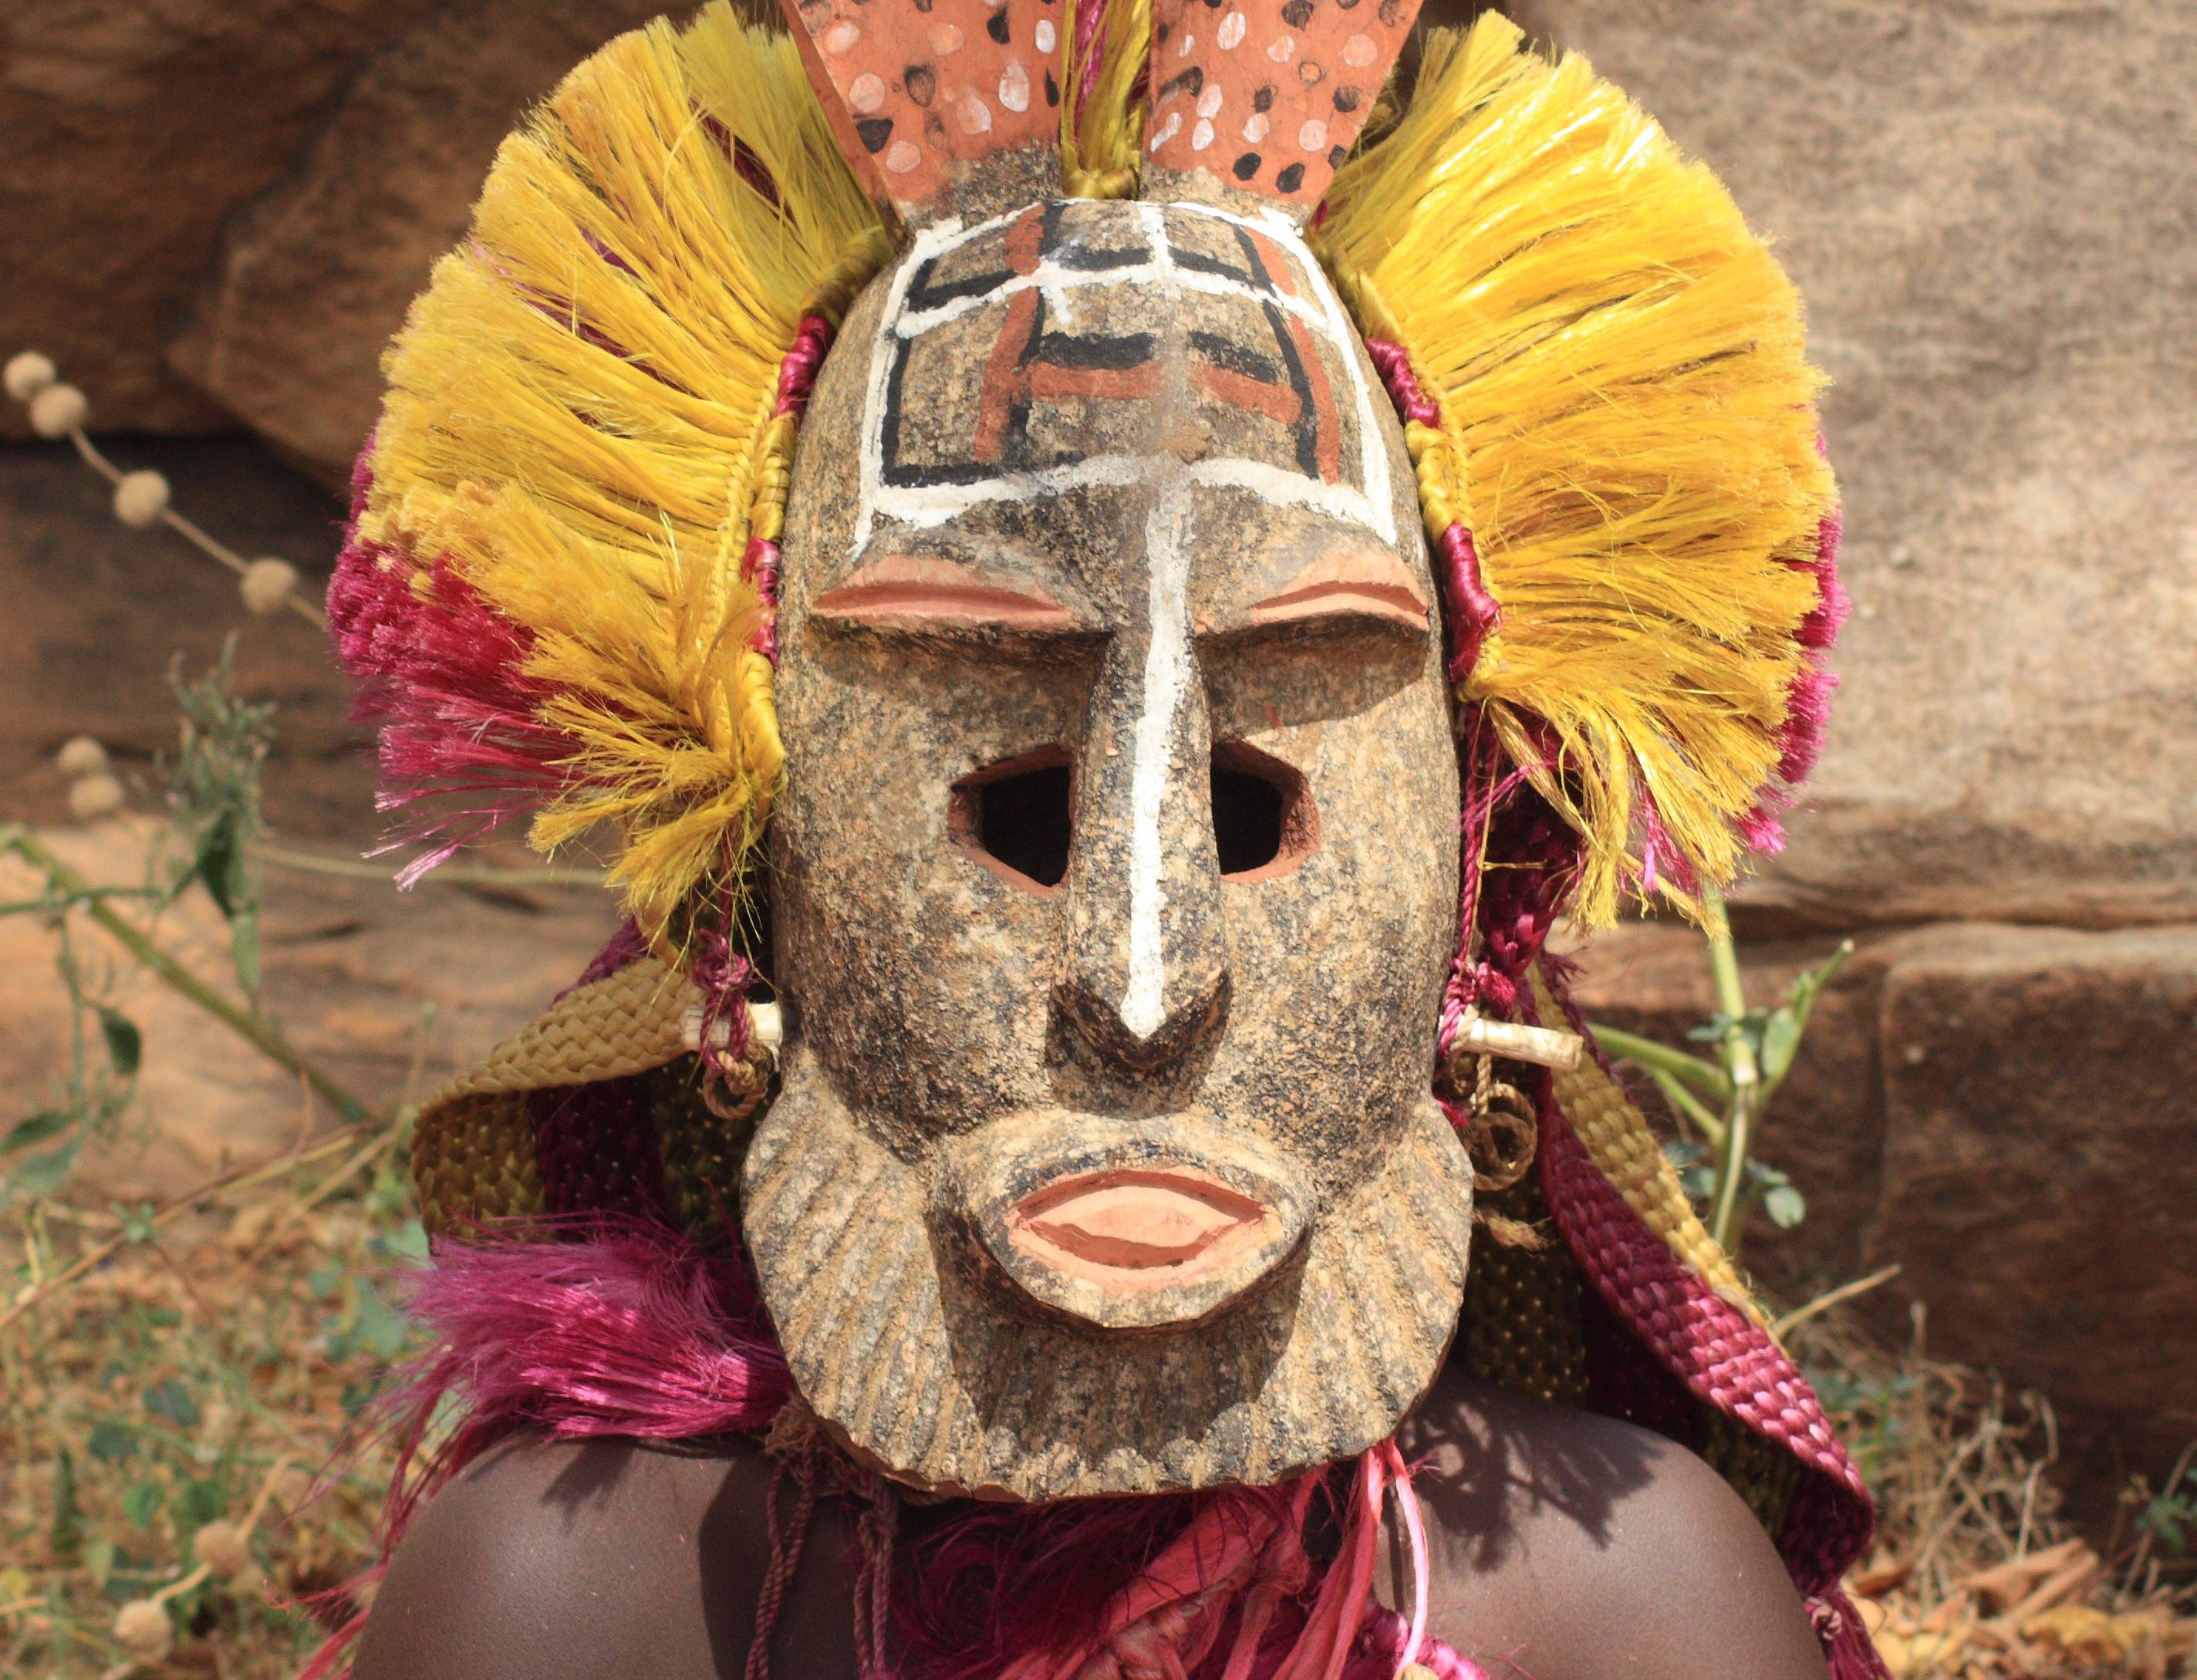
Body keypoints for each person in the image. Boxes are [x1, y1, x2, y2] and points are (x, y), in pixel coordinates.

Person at [320, 4, 1878, 1678]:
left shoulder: (1620, 1614)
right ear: (749, 884)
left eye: (1253, 798)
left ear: (1470, 874)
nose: (1144, 991)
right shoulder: (579, 1606)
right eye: (1018, 805)